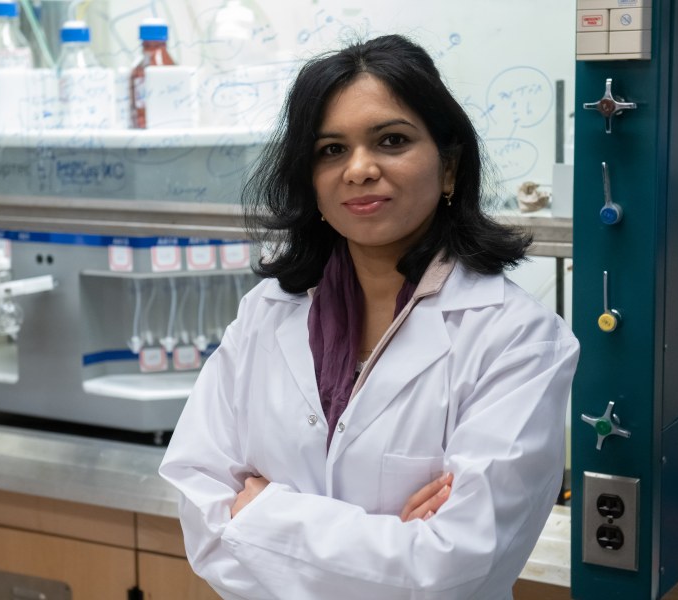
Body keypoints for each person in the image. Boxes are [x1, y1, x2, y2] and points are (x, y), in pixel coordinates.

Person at [159, 34, 579, 600]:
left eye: (392, 140)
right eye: (331, 150)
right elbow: (200, 511)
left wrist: (260, 515)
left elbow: (452, 570)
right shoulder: (266, 314)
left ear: (449, 167)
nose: (358, 169)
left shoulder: (516, 338)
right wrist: (389, 546)